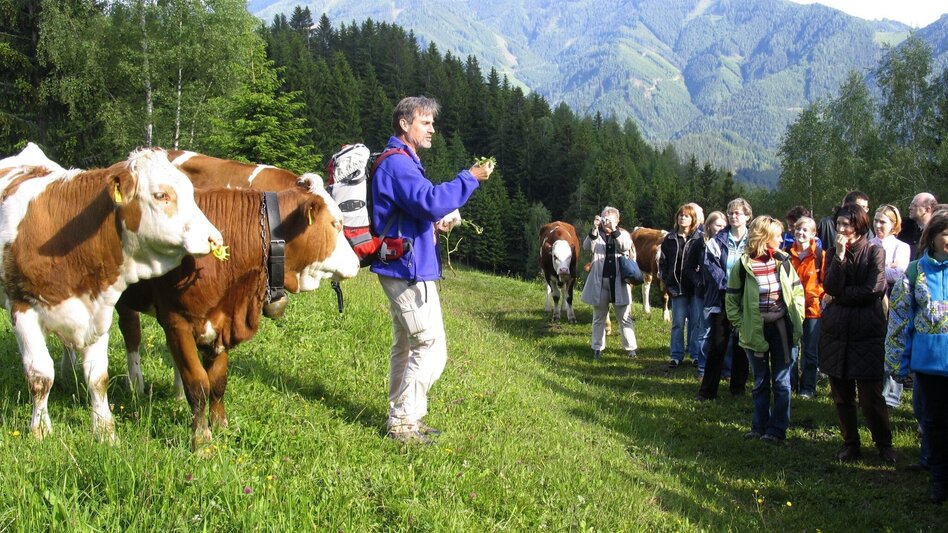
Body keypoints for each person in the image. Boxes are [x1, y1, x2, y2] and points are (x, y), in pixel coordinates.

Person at [371, 96, 493, 444]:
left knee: (406, 346)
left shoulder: (404, 161)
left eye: (432, 123)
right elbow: (431, 201)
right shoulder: (397, 164)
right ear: (404, 124)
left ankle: (403, 414)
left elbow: (416, 211)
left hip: (405, 262)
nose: (432, 129)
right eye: (425, 123)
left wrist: (434, 226)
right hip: (406, 268)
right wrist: (469, 178)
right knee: (430, 346)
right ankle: (403, 423)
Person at [819, 202, 895, 463]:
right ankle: (850, 442)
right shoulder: (832, 252)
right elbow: (829, 285)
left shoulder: (875, 251)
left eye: (847, 224)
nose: (841, 229)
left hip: (866, 331)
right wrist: (839, 256)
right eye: (839, 224)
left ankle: (884, 444)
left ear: (859, 225)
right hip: (837, 332)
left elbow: (873, 289)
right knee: (841, 394)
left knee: (870, 396)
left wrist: (840, 296)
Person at [886, 211, 948, 503]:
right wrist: (898, 363)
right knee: (933, 424)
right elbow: (899, 321)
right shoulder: (915, 273)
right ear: (933, 236)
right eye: (946, 233)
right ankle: (939, 479)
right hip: (930, 366)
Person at [727, 216, 805, 442]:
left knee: (782, 381)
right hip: (755, 331)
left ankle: (777, 430)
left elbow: (797, 293)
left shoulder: (783, 261)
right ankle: (759, 426)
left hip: (780, 329)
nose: (782, 239)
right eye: (778, 235)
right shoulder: (743, 265)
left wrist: (796, 317)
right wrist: (742, 325)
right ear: (764, 237)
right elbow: (731, 300)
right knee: (760, 381)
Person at [696, 199, 752, 399]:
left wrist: (743, 290)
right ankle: (707, 390)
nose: (733, 216)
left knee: (742, 345)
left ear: (747, 216)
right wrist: (729, 288)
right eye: (730, 212)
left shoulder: (753, 241)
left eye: (738, 213)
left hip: (746, 301)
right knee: (717, 345)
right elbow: (711, 268)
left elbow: (755, 266)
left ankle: (738, 388)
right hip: (722, 299)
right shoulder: (716, 240)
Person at [582, 206, 638, 360]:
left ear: (617, 220)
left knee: (624, 316)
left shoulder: (623, 234)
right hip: (600, 281)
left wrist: (614, 230)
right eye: (604, 218)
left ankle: (631, 348)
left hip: (619, 281)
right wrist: (594, 229)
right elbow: (587, 247)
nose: (606, 221)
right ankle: (597, 348)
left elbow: (625, 246)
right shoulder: (596, 234)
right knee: (599, 316)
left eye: (610, 218)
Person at [871, 204, 911, 409]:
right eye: (875, 220)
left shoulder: (901, 247)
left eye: (883, 222)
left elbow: (900, 274)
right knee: (874, 343)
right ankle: (874, 389)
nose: (878, 225)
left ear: (894, 224)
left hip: (893, 300)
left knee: (893, 343)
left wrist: (876, 269)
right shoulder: (868, 244)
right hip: (870, 300)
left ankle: (892, 394)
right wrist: (887, 267)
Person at [785, 216, 825, 399]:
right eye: (798, 229)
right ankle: (791, 384)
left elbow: (825, 282)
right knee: (791, 349)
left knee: (809, 351)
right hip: (791, 309)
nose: (801, 233)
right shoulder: (785, 254)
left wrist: (818, 297)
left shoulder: (819, 256)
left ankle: (808, 387)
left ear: (813, 234)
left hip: (813, 311)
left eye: (805, 230)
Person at [660, 203, 702, 369]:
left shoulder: (699, 239)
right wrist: (665, 277)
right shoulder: (669, 239)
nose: (682, 218)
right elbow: (662, 261)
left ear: (693, 219)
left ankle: (695, 354)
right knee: (678, 322)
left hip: (696, 287)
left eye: (686, 215)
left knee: (696, 323)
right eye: (680, 215)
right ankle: (676, 355)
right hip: (677, 287)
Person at [899, 192, 937, 260]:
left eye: (914, 205)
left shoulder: (937, 233)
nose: (910, 207)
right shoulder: (904, 225)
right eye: (911, 205)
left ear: (927, 209)